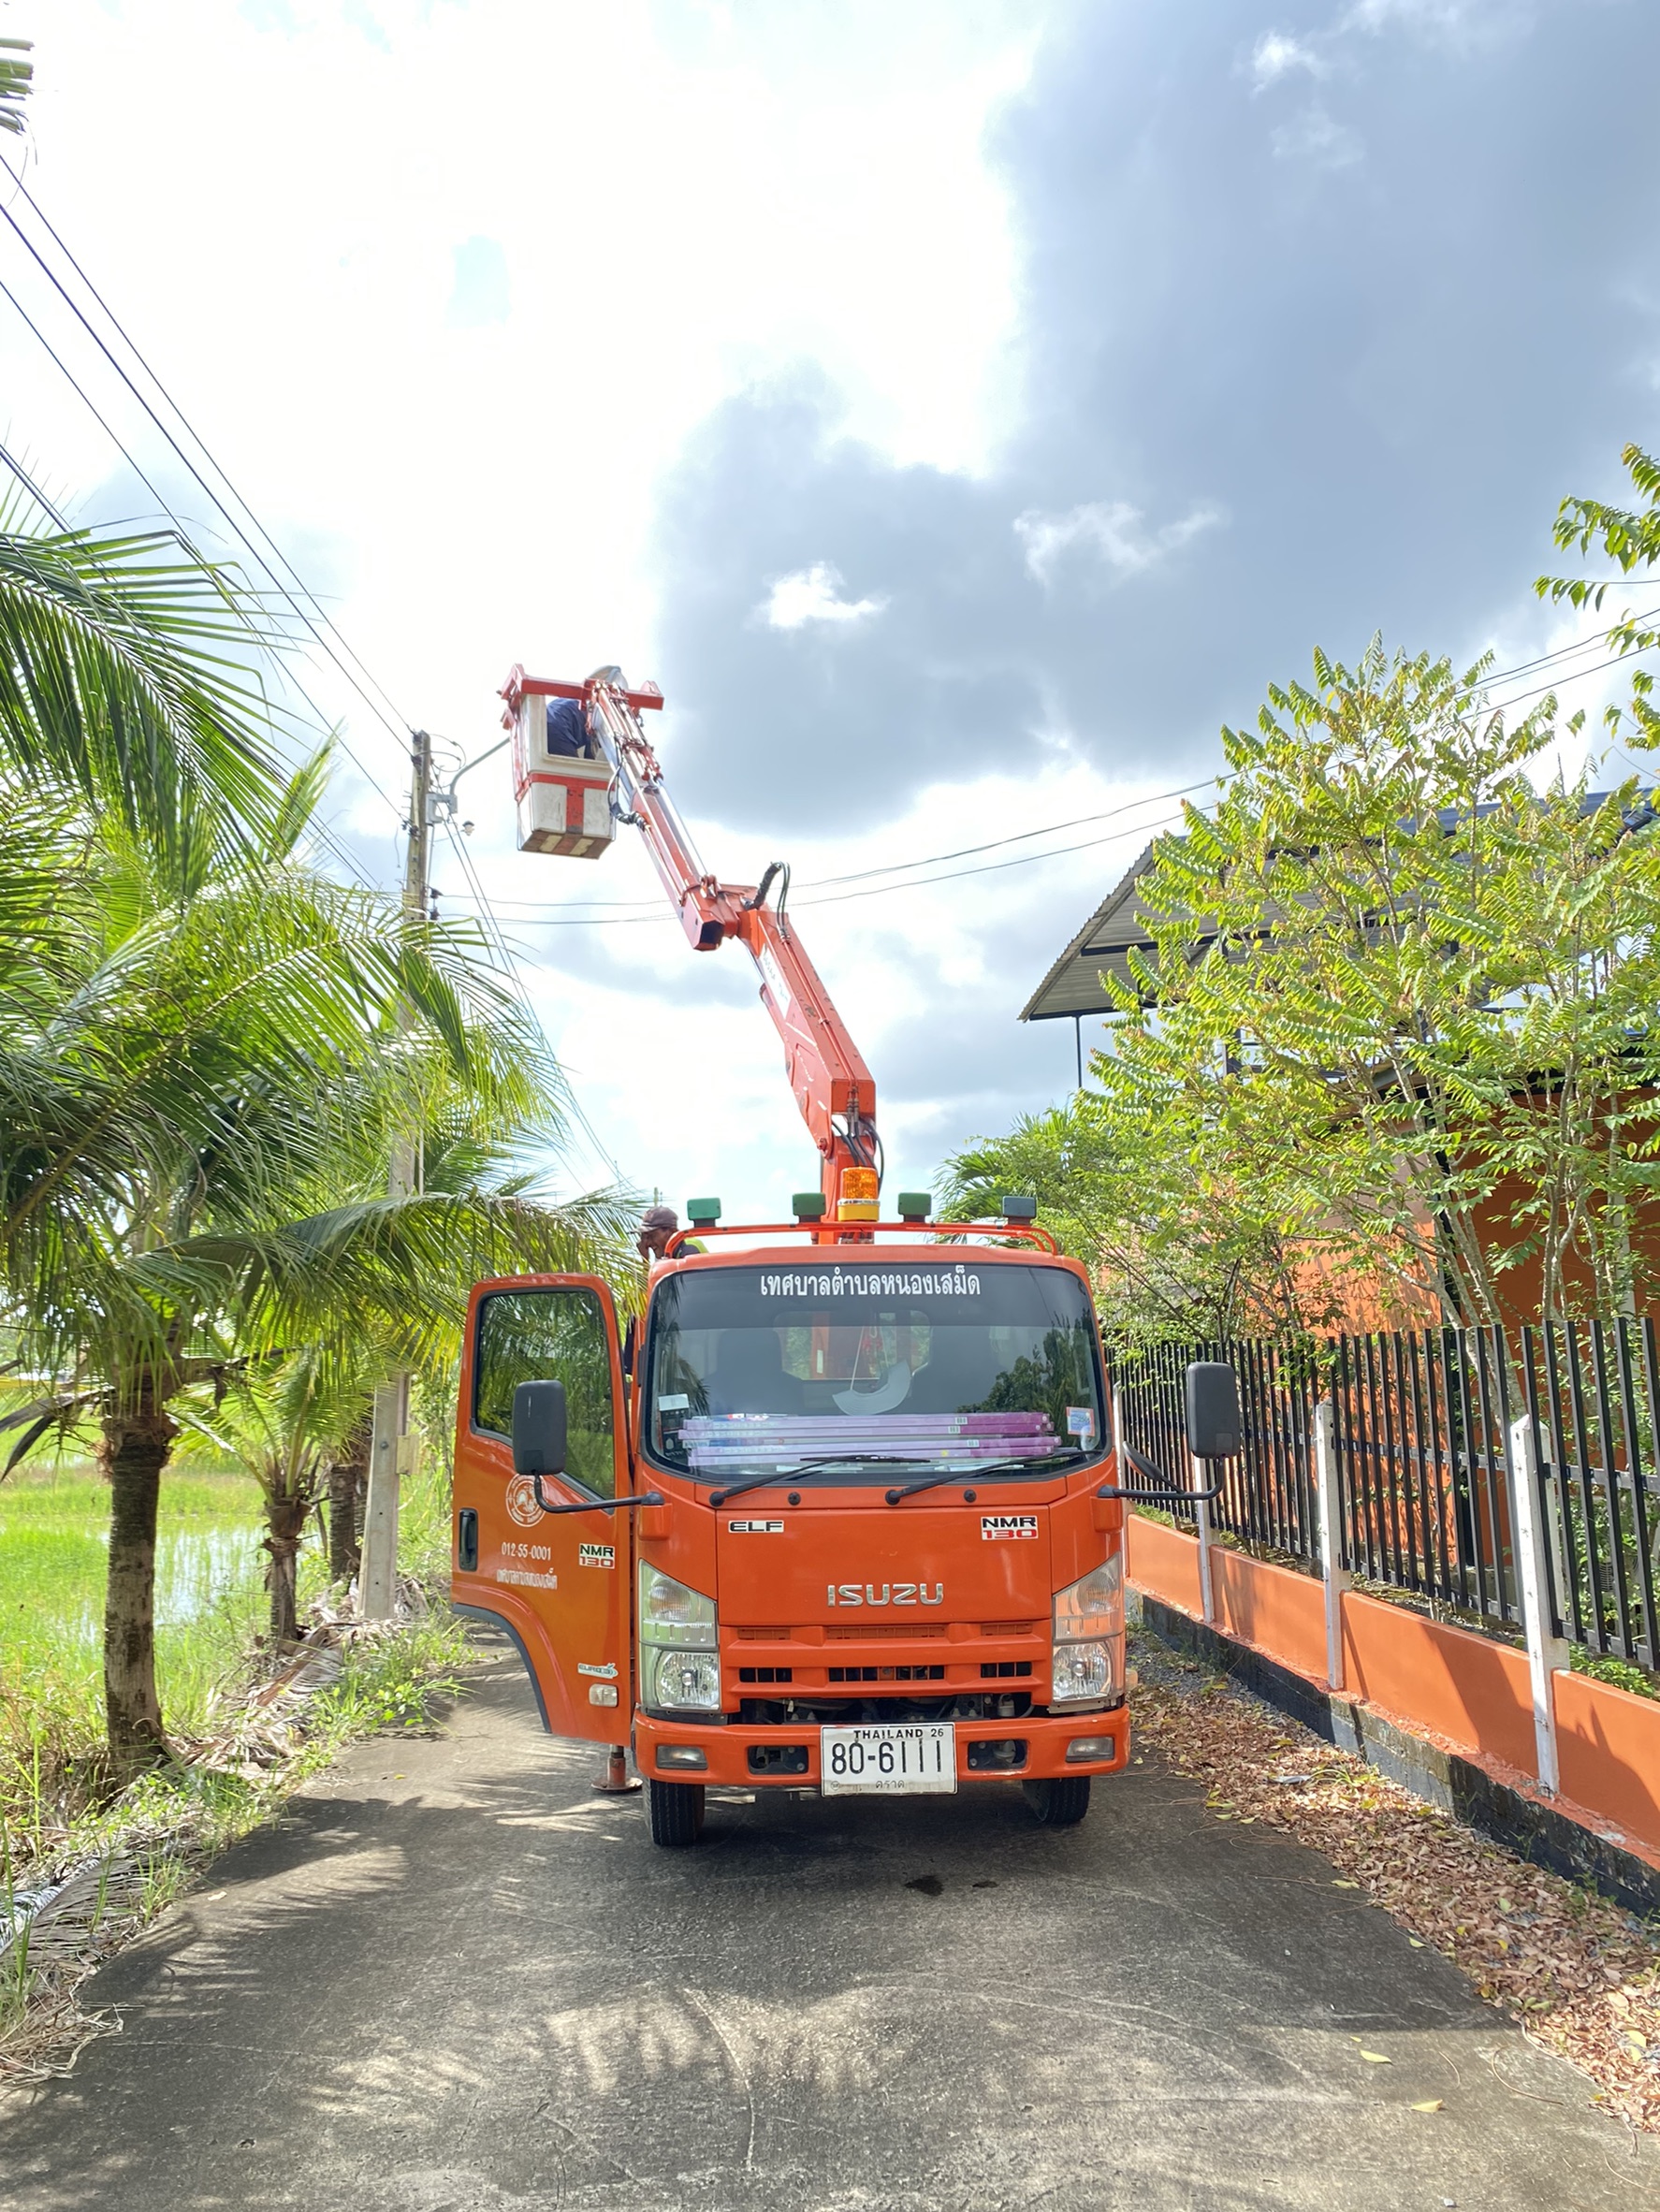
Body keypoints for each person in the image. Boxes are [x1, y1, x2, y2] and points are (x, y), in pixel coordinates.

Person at [545, 695, 596, 759]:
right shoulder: (600, 719)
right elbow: (590, 746)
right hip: (558, 727)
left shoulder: (583, 700)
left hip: (548, 717)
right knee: (571, 767)